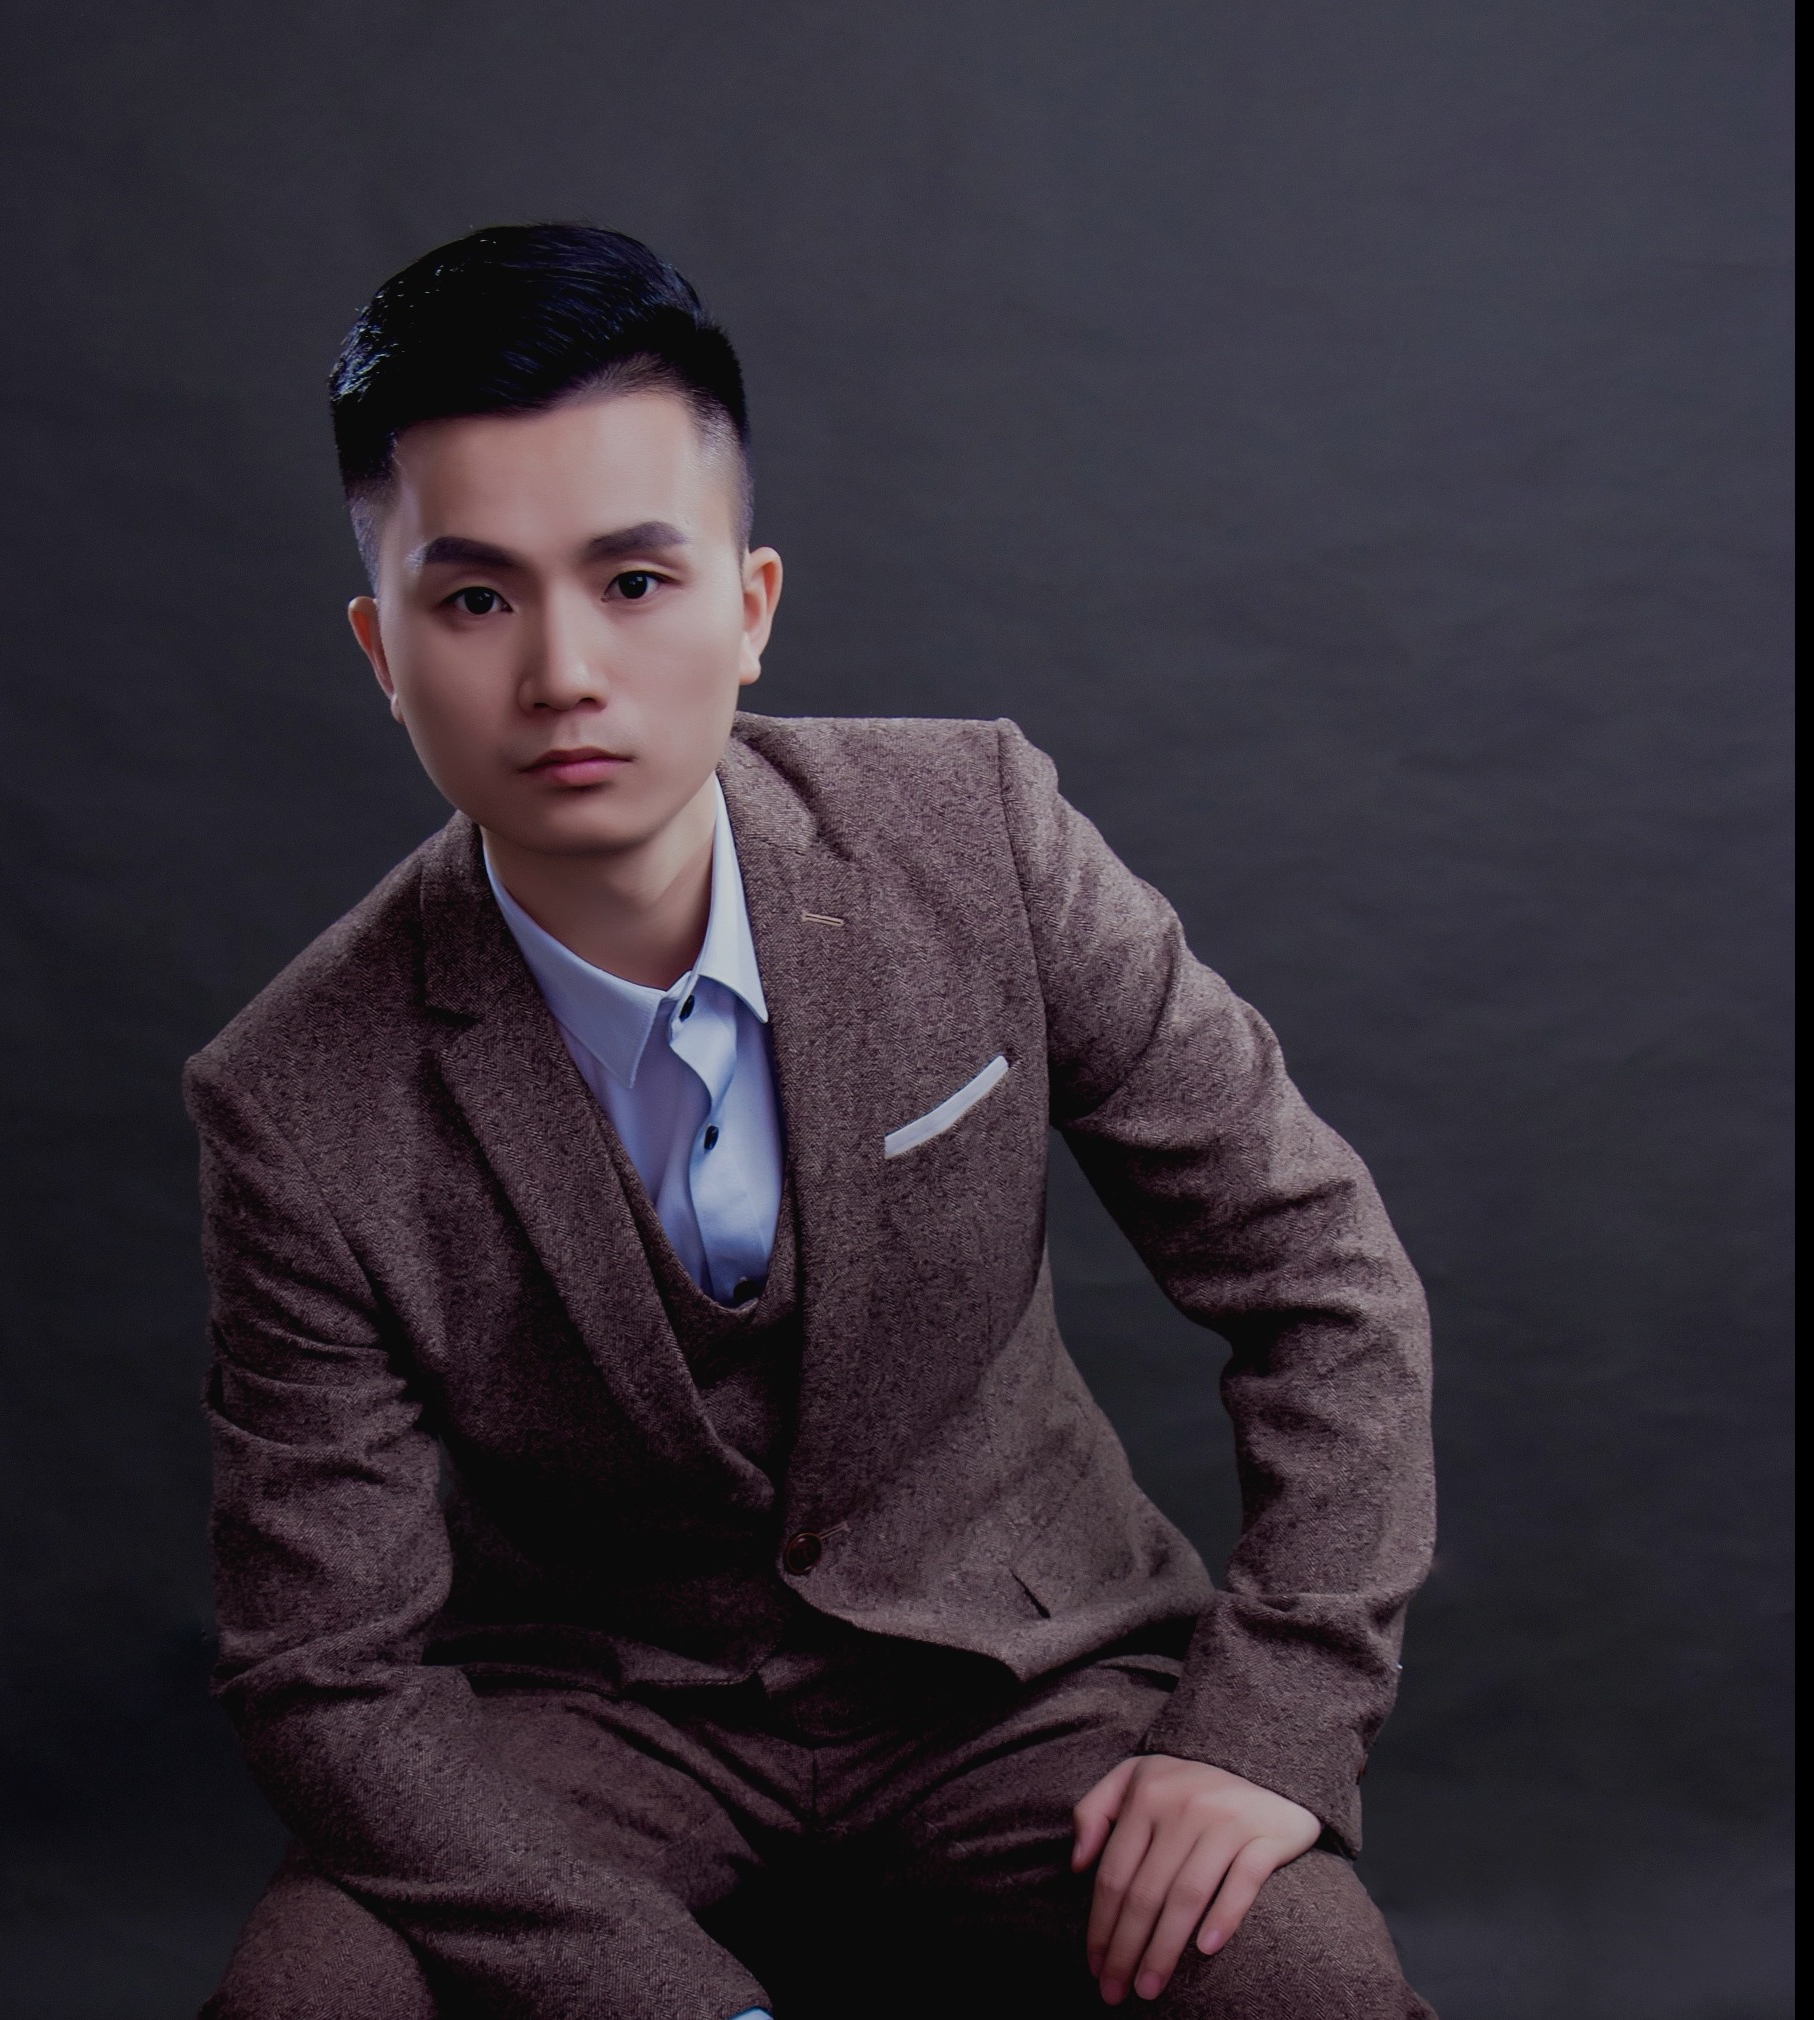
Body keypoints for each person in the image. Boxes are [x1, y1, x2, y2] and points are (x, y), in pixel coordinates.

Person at [190, 224, 1436, 2019]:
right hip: (594, 1724)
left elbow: (1321, 1278)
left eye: (635, 579)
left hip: (1021, 1679)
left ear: (752, 606)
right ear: (384, 650)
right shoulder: (295, 1099)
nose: (563, 672)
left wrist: (1274, 1721)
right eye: (474, 603)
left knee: (1304, 1987)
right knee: (310, 1997)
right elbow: (320, 1672)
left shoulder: (983, 838)